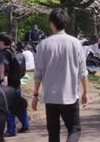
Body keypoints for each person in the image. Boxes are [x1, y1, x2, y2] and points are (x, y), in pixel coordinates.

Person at [32, 9, 88, 142]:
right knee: (74, 129)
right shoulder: (75, 43)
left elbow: (37, 73)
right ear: (66, 23)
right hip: (69, 95)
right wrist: (85, 91)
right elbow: (82, 71)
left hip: (50, 96)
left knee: (53, 134)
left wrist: (35, 95)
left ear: (52, 23)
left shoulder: (43, 45)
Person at [0, 33, 29, 136]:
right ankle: (25, 126)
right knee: (19, 106)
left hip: (9, 84)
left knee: (9, 108)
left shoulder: (4, 54)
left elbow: (5, 70)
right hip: (16, 83)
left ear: (1, 42)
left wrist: (4, 83)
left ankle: (11, 130)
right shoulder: (14, 51)